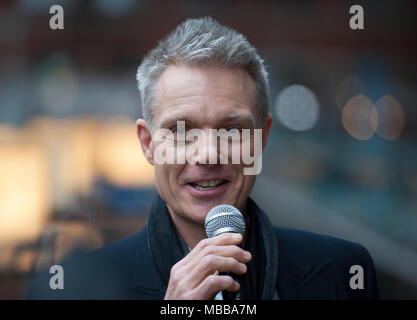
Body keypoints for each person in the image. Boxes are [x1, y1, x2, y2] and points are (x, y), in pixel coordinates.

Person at [27, 17, 380, 300]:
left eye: (232, 130)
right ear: (148, 144)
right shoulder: (68, 291)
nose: (208, 154)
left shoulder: (343, 274)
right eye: (181, 131)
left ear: (262, 139)